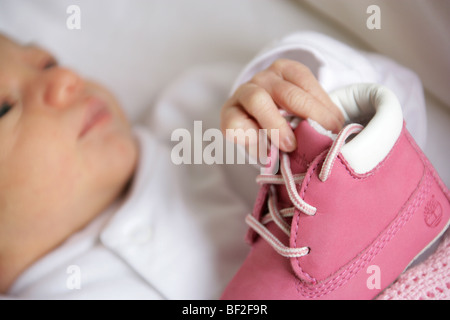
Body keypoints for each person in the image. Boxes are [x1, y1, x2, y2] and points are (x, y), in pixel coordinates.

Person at [0, 30, 428, 299]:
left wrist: (308, 102)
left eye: (46, 63)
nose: (63, 80)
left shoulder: (199, 121)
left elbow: (405, 116)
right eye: (5, 108)